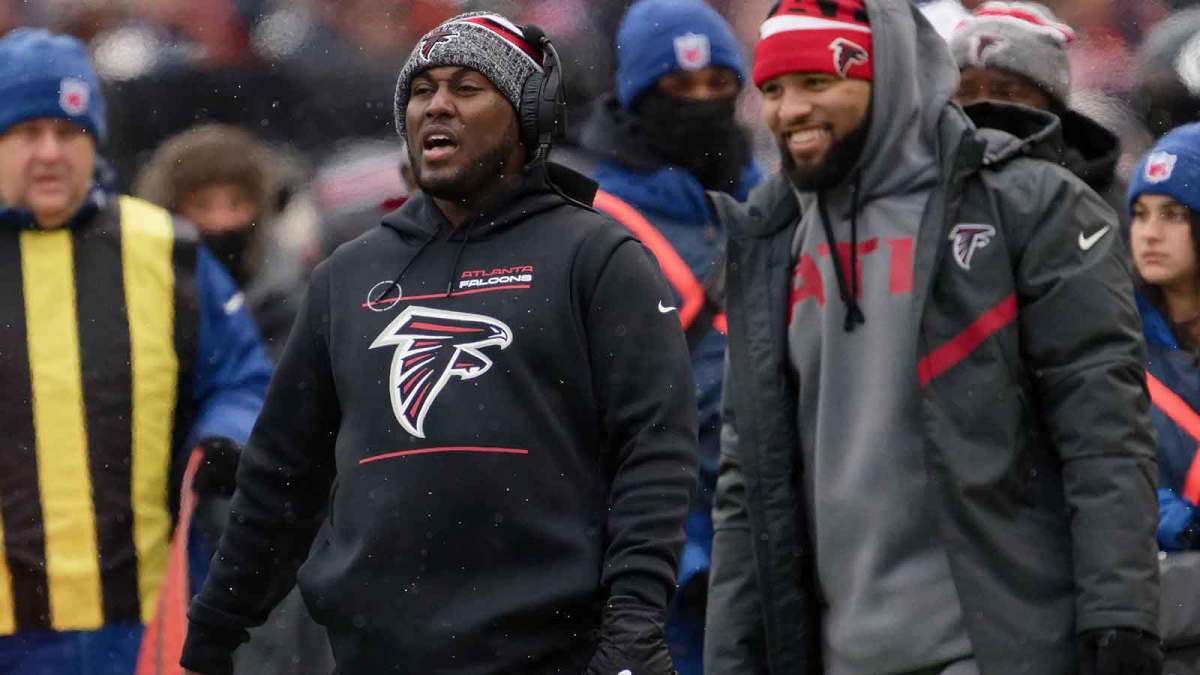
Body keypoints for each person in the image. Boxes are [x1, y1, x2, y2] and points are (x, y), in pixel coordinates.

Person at [180, 11, 698, 675]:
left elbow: (654, 456)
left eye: (466, 87)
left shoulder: (597, 256)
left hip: (556, 655)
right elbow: (282, 477)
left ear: (525, 114)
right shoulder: (349, 274)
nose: (437, 107)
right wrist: (215, 629)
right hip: (376, 656)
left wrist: (634, 622)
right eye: (422, 91)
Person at [704, 1, 1162, 673]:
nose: (789, 109)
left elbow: (1102, 428)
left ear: (885, 78)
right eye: (772, 89)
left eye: (816, 83)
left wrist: (1120, 613)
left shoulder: (1027, 203)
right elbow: (749, 485)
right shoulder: (771, 239)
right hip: (837, 655)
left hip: (994, 646)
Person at [0, 29, 272, 675]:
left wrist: (223, 436)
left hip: (151, 621)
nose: (49, 153)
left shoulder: (166, 250)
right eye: (26, 132)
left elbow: (243, 378)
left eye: (68, 132)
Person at [575, 1, 760, 671]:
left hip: (778, 547)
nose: (704, 103)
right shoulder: (588, 223)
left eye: (720, 85)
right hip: (663, 569)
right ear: (635, 95)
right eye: (678, 89)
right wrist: (674, 558)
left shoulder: (780, 205)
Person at [135, 123, 308, 359]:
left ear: (259, 206)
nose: (220, 221)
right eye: (202, 206)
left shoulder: (286, 287)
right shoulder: (144, 289)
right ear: (173, 210)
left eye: (236, 204)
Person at [949, 1, 1129, 220]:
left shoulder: (1096, 197)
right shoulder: (924, 180)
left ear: (1051, 104)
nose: (983, 105)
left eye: (1006, 92)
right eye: (965, 91)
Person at [1127, 124, 1200, 552]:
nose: (1150, 233)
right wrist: (1182, 524)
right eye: (1140, 213)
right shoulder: (1111, 338)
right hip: (1163, 596)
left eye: (1173, 214)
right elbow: (1109, 476)